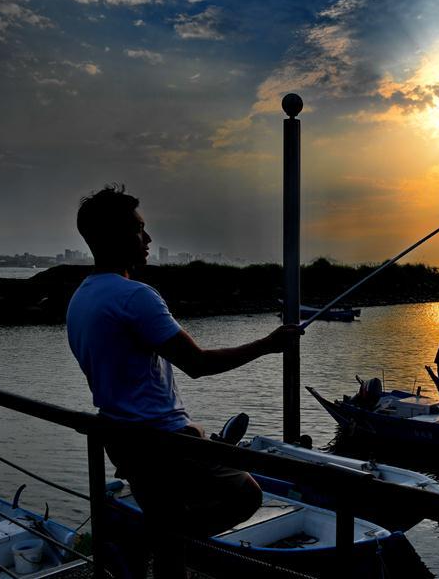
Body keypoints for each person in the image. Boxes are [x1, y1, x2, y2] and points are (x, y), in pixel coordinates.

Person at [66, 184, 300, 578]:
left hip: (120, 436)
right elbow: (197, 363)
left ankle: (159, 545)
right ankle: (152, 540)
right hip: (160, 439)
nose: (148, 238)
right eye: (139, 229)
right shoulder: (136, 297)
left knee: (168, 523)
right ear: (113, 236)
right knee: (245, 494)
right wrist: (268, 344)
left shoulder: (81, 298)